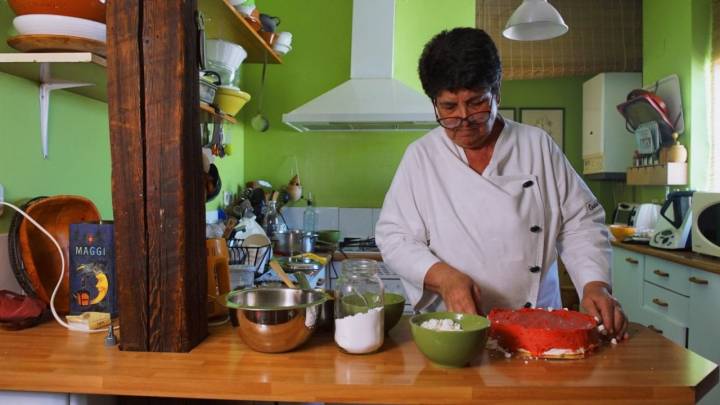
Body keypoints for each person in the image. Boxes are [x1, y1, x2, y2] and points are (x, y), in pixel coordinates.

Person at [375, 28, 628, 341]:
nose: (464, 119)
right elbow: (394, 236)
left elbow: (580, 222)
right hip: (454, 328)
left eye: (476, 103)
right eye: (449, 108)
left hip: (536, 323)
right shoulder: (421, 157)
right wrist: (444, 278)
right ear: (434, 104)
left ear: (497, 92)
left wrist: (594, 284)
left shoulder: (537, 146)